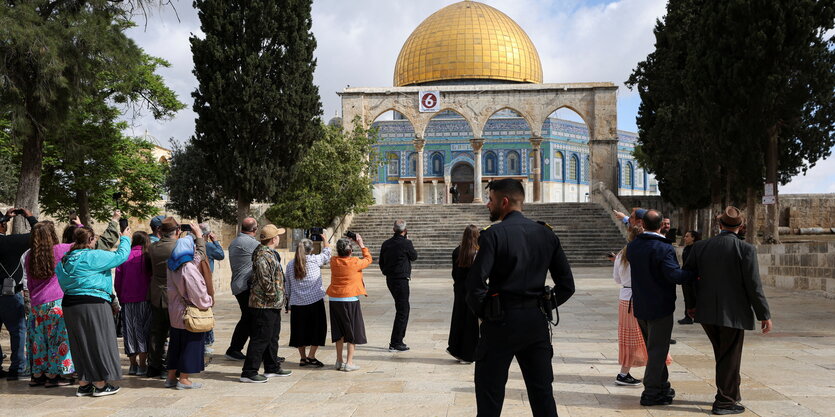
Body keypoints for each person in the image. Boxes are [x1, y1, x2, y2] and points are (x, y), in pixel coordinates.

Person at [466, 178, 575, 417]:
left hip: (500, 323)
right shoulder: (546, 234)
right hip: (535, 323)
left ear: (504, 202)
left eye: (491, 200)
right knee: (542, 395)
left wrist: (486, 313)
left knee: (489, 397)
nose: (487, 205)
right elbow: (567, 286)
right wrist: (544, 304)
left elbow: (474, 285)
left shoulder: (493, 235)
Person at [683, 207, 772, 415]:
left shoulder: (700, 247)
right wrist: (764, 315)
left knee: (723, 354)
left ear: (719, 225)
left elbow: (686, 279)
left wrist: (691, 305)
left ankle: (732, 393)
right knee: (729, 356)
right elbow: (753, 285)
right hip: (733, 313)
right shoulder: (746, 249)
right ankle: (724, 402)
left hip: (706, 312)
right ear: (740, 227)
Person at [626, 209, 695, 407]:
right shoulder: (663, 248)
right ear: (660, 226)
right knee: (658, 350)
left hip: (640, 306)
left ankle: (662, 386)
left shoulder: (633, 246)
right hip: (660, 307)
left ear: (644, 224)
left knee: (654, 348)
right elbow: (674, 275)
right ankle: (651, 392)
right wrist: (693, 273)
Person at [56, 225, 132, 397]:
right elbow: (121, 256)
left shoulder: (64, 260)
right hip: (93, 303)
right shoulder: (92, 256)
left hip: (69, 304)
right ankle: (99, 384)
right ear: (90, 240)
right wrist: (125, 238)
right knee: (98, 342)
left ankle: (83, 384)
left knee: (79, 344)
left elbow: (63, 283)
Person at [613, 225, 673, 387]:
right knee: (645, 336)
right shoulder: (643, 252)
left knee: (631, 337)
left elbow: (617, 278)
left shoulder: (621, 254)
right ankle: (626, 374)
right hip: (640, 297)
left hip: (625, 297)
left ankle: (629, 372)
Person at [147, 217, 205, 378]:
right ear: (178, 231)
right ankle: (175, 367)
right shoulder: (177, 248)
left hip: (156, 294)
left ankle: (154, 365)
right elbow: (198, 258)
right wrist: (199, 237)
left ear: (160, 231)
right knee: (177, 333)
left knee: (156, 333)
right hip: (176, 295)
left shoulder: (152, 247)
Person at [21, 221, 74, 387]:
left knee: (38, 341)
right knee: (57, 340)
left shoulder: (29, 256)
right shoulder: (59, 250)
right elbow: (80, 241)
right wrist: (78, 225)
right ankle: (54, 375)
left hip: (37, 304)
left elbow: (29, 283)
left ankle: (38, 374)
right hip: (56, 302)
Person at [240, 225, 292, 382]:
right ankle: (249, 372)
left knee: (271, 336)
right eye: (278, 236)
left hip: (272, 304)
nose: (279, 238)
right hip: (264, 304)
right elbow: (265, 281)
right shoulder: (263, 255)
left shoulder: (268, 254)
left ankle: (272, 366)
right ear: (274, 239)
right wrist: (274, 296)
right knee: (260, 337)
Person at [165, 228, 212, 389]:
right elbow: (197, 291)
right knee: (191, 344)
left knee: (175, 344)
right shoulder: (188, 267)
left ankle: (171, 377)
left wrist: (199, 238)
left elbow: (197, 257)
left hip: (175, 312)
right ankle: (184, 379)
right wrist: (207, 301)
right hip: (189, 312)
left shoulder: (172, 265)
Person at [0, 207, 37, 381]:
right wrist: (29, 217)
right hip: (9, 295)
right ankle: (18, 367)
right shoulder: (10, 243)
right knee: (18, 331)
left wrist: (4, 218)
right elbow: (39, 234)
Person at [327, 235, 372, 372]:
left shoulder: (333, 261)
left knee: (338, 331)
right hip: (350, 299)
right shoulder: (355, 262)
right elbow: (368, 259)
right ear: (350, 251)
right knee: (351, 331)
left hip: (334, 299)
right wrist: (361, 243)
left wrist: (326, 242)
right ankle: (349, 362)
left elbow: (327, 251)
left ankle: (339, 360)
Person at [285, 237, 331, 368]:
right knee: (318, 329)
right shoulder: (315, 260)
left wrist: (288, 302)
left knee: (300, 331)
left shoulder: (290, 264)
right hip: (315, 301)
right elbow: (327, 253)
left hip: (297, 302)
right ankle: (311, 356)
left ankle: (303, 358)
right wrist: (325, 239)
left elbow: (287, 285)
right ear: (311, 249)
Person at [114, 231, 153, 376]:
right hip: (145, 299)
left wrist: (120, 295)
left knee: (129, 332)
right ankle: (143, 365)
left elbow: (117, 280)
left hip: (127, 300)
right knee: (143, 331)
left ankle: (133, 365)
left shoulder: (125, 256)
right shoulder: (147, 256)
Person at [378, 219, 418, 352]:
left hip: (390, 279)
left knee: (401, 308)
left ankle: (397, 340)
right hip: (401, 279)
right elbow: (414, 256)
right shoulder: (406, 243)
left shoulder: (386, 243)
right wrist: (407, 240)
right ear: (405, 231)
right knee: (403, 310)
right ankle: (396, 341)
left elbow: (381, 262)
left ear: (393, 230)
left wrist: (386, 271)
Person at [226, 217, 260, 361]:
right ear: (255, 229)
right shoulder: (252, 243)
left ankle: (235, 349)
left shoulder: (235, 242)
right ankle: (236, 349)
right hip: (244, 286)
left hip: (238, 285)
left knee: (248, 317)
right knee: (251, 318)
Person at [447, 225, 480, 364]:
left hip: (460, 290)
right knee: (471, 323)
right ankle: (468, 353)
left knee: (459, 318)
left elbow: (454, 273)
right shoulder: (477, 253)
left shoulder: (457, 251)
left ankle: (457, 349)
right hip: (472, 291)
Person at [199, 223, 225, 353]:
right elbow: (220, 255)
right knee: (206, 311)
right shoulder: (207, 246)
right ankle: (207, 342)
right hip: (204, 282)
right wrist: (215, 241)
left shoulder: (190, 245)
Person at [677, 230, 702, 325]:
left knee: (694, 297)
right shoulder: (687, 248)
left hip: (694, 277)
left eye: (687, 236)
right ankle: (688, 315)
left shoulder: (696, 248)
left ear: (693, 238)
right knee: (687, 298)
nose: (685, 238)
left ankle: (694, 315)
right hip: (686, 277)